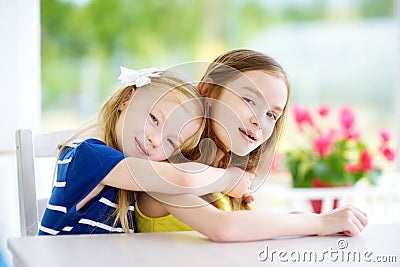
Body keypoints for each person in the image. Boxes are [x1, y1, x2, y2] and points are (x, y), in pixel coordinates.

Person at [135, 49, 368, 241]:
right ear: (208, 92)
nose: (259, 120)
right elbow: (223, 228)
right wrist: (319, 221)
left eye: (271, 114)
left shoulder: (226, 183)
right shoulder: (166, 170)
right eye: (249, 100)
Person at [39, 67, 253, 235]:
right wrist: (230, 179)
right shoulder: (89, 156)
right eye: (154, 119)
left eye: (170, 142)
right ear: (127, 99)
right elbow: (184, 179)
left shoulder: (136, 176)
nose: (154, 140)